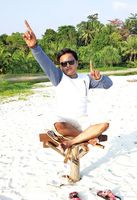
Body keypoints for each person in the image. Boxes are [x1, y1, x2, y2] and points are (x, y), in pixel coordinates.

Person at [23, 20, 113, 151]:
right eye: (63, 64)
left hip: (83, 122)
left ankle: (71, 142)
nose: (67, 66)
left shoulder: (86, 78)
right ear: (60, 66)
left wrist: (100, 78)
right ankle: (87, 138)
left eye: (70, 62)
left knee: (105, 124)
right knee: (59, 126)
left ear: (77, 62)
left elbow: (108, 85)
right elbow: (45, 63)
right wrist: (34, 46)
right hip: (65, 122)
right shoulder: (58, 77)